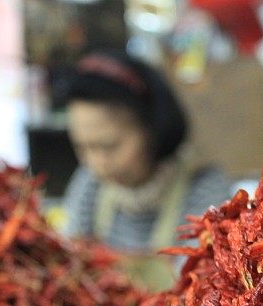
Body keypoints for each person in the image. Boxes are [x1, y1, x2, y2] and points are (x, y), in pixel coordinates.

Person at [59, 50, 230, 290]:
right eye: (83, 147)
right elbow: (70, 264)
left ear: (152, 130)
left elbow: (202, 284)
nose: (96, 162)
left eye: (109, 146)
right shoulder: (89, 183)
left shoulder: (203, 188)